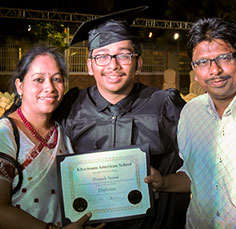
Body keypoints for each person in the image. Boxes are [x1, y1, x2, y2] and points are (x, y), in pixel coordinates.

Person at [54, 6, 189, 229]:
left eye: (124, 55)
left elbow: (202, 165)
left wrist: (166, 183)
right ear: (89, 66)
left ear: (139, 63)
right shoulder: (70, 108)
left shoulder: (165, 106)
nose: (113, 65)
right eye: (102, 56)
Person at [145, 18, 236, 228]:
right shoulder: (191, 113)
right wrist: (164, 183)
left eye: (224, 58)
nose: (214, 70)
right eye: (203, 62)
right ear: (194, 68)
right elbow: (193, 176)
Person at [0, 44, 92, 229]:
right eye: (38, 79)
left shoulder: (63, 131)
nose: (49, 87)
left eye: (56, 79)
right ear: (20, 86)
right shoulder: (6, 133)